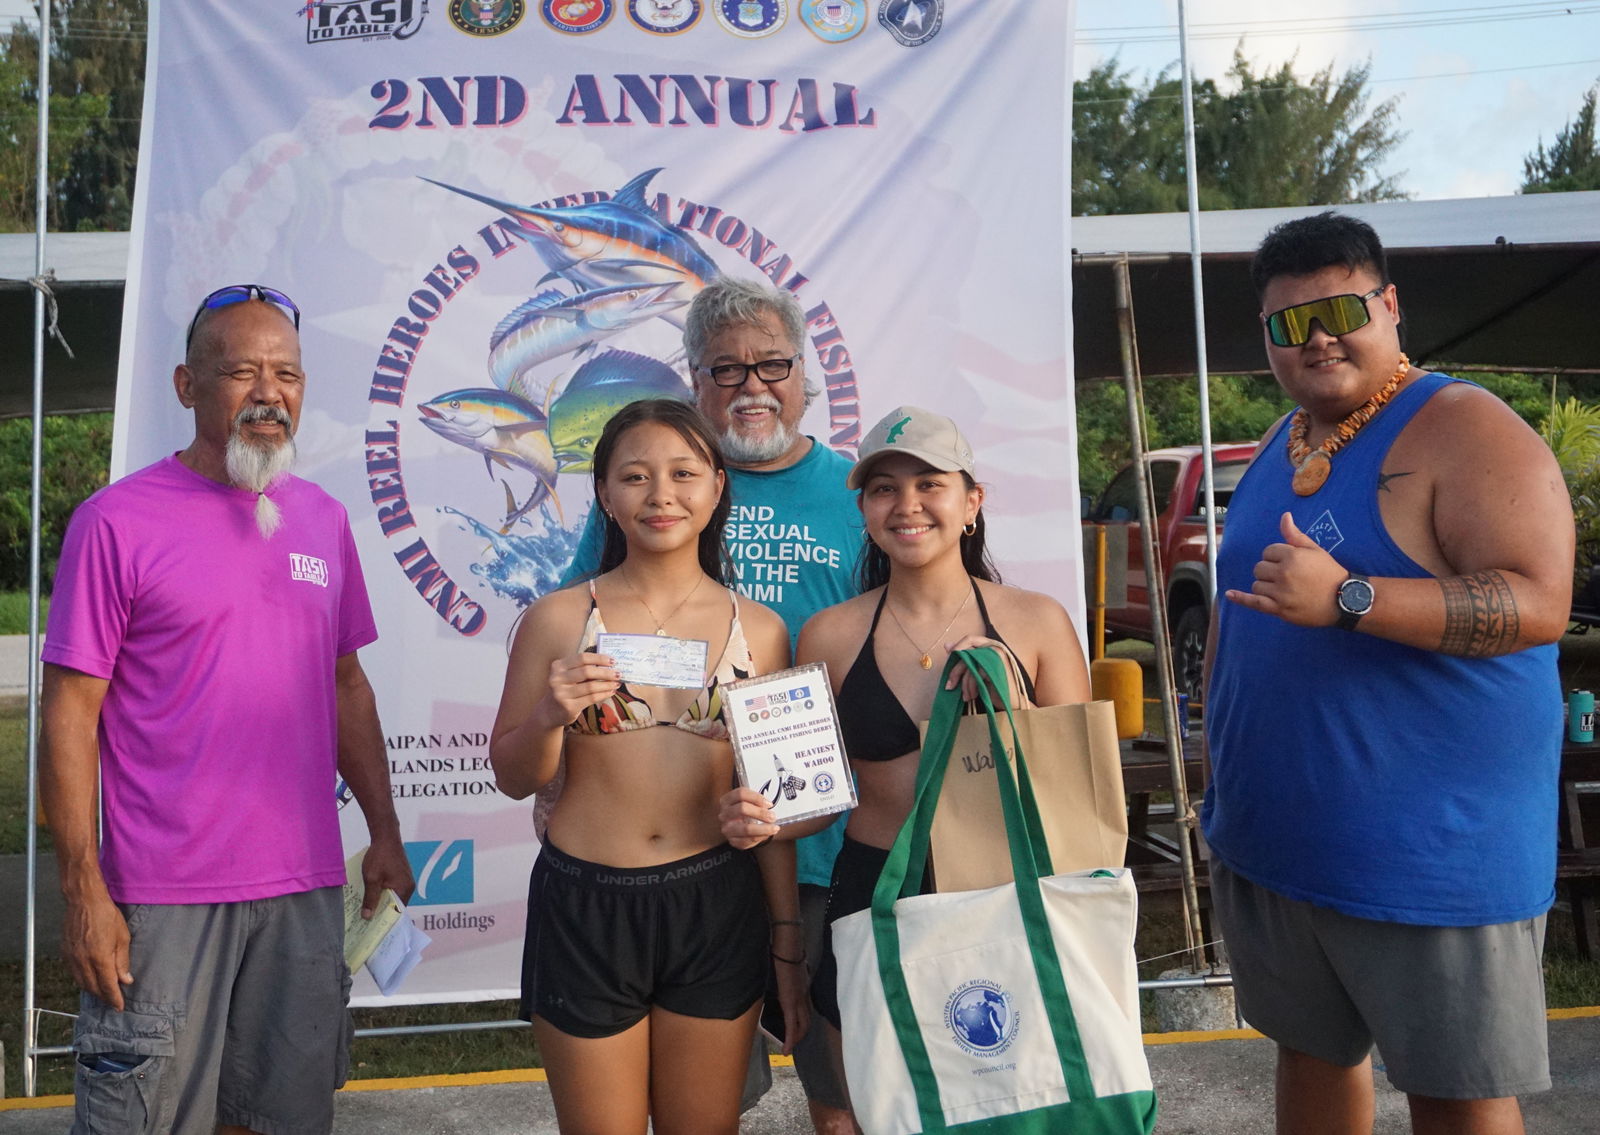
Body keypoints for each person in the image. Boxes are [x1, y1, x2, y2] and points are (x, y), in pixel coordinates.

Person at [1203, 211, 1573, 1135]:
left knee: (1458, 1092)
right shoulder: (1281, 444)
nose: (1317, 335)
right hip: (1282, 843)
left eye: (1339, 308)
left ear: (1390, 305)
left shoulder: (1464, 426)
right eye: (1289, 322)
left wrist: (1353, 598)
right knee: (1313, 1055)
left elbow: (1538, 603)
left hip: (1430, 858)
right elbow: (1234, 614)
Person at [39, 284, 413, 1135]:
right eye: (240, 371)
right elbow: (69, 713)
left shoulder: (321, 521)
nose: (268, 393)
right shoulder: (116, 522)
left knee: (279, 1116)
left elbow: (346, 683)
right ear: (186, 385)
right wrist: (83, 888)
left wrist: (383, 831)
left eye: (286, 373)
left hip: (304, 890)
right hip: (162, 900)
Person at [720, 405, 1091, 1114]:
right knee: (869, 1108)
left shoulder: (1037, 622)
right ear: (862, 507)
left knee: (1013, 1110)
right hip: (871, 894)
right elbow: (811, 800)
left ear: (972, 501)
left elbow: (1077, 800)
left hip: (1001, 895)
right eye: (884, 487)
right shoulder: (830, 633)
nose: (907, 504)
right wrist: (757, 819)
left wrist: (1014, 715)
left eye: (929, 483)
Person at [560, 275, 861, 1133]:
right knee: (699, 1106)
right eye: (725, 370)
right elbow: (576, 634)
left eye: (772, 364)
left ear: (804, 374)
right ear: (694, 382)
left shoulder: (857, 494)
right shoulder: (657, 491)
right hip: (690, 857)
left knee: (847, 1098)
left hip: (829, 847)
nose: (752, 385)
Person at [490, 398, 805, 1135]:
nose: (661, 494)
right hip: (587, 903)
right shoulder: (559, 619)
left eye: (683, 473)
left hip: (714, 903)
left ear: (718, 486)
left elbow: (776, 803)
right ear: (604, 493)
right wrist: (548, 715)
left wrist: (786, 937)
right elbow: (513, 774)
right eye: (634, 475)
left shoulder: (759, 629)